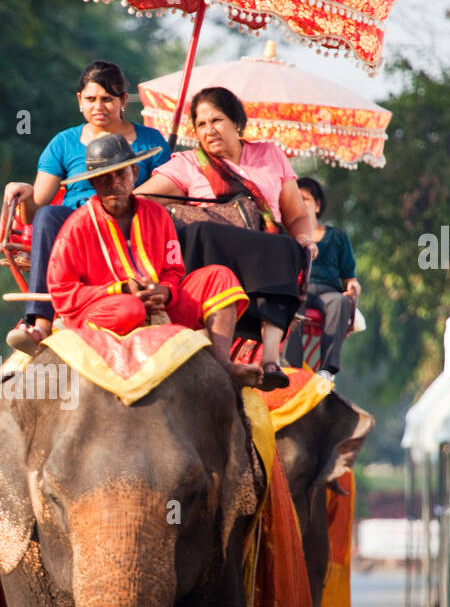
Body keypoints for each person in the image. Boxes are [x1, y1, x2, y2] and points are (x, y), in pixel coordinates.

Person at [135, 86, 318, 390]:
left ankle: (271, 359)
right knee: (205, 232)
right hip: (210, 259)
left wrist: (305, 238)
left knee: (286, 247)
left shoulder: (269, 155)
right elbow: (139, 202)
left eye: (216, 120)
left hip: (266, 255)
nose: (209, 130)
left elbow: (296, 215)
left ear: (237, 123)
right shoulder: (188, 164)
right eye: (201, 125)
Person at [47, 134, 259, 387]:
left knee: (220, 277)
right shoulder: (77, 226)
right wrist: (119, 289)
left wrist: (166, 292)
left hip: (161, 308)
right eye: (104, 177)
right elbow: (61, 291)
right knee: (130, 309)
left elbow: (173, 270)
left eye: (120, 174)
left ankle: (223, 365)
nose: (114, 183)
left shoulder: (157, 214)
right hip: (108, 311)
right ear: (93, 182)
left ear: (135, 173)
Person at [5, 60, 172, 354]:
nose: (99, 106)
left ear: (123, 101)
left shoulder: (149, 140)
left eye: (107, 99)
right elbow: (36, 209)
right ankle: (39, 321)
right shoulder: (64, 142)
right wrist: (24, 193)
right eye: (91, 99)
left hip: (131, 221)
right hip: (81, 225)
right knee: (47, 215)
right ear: (79, 101)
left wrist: (125, 195)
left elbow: (171, 187)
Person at [284, 176, 360, 379]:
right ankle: (293, 368)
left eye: (305, 199)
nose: (300, 203)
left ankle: (327, 370)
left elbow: (349, 277)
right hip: (299, 289)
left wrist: (353, 287)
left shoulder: (337, 237)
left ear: (317, 205)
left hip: (329, 292)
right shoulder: (287, 237)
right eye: (296, 199)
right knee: (289, 301)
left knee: (340, 302)